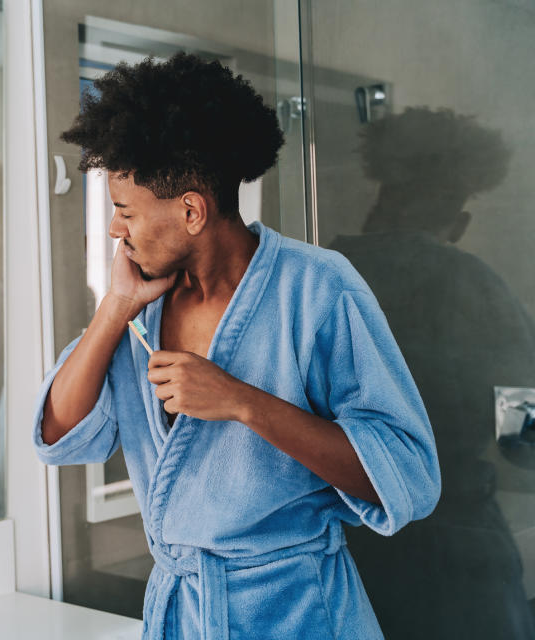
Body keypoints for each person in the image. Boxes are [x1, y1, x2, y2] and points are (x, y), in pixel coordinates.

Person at [33, 53, 440, 638]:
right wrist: (114, 309)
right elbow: (57, 436)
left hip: (297, 612)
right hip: (182, 612)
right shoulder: (143, 306)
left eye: (124, 211)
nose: (117, 229)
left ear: (192, 210)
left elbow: (407, 475)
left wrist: (242, 401)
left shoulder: (318, 288)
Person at [330, 107, 535, 638]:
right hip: (456, 551)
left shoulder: (314, 278)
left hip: (341, 547)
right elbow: (525, 438)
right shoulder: (476, 288)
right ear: (459, 223)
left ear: (379, 201)